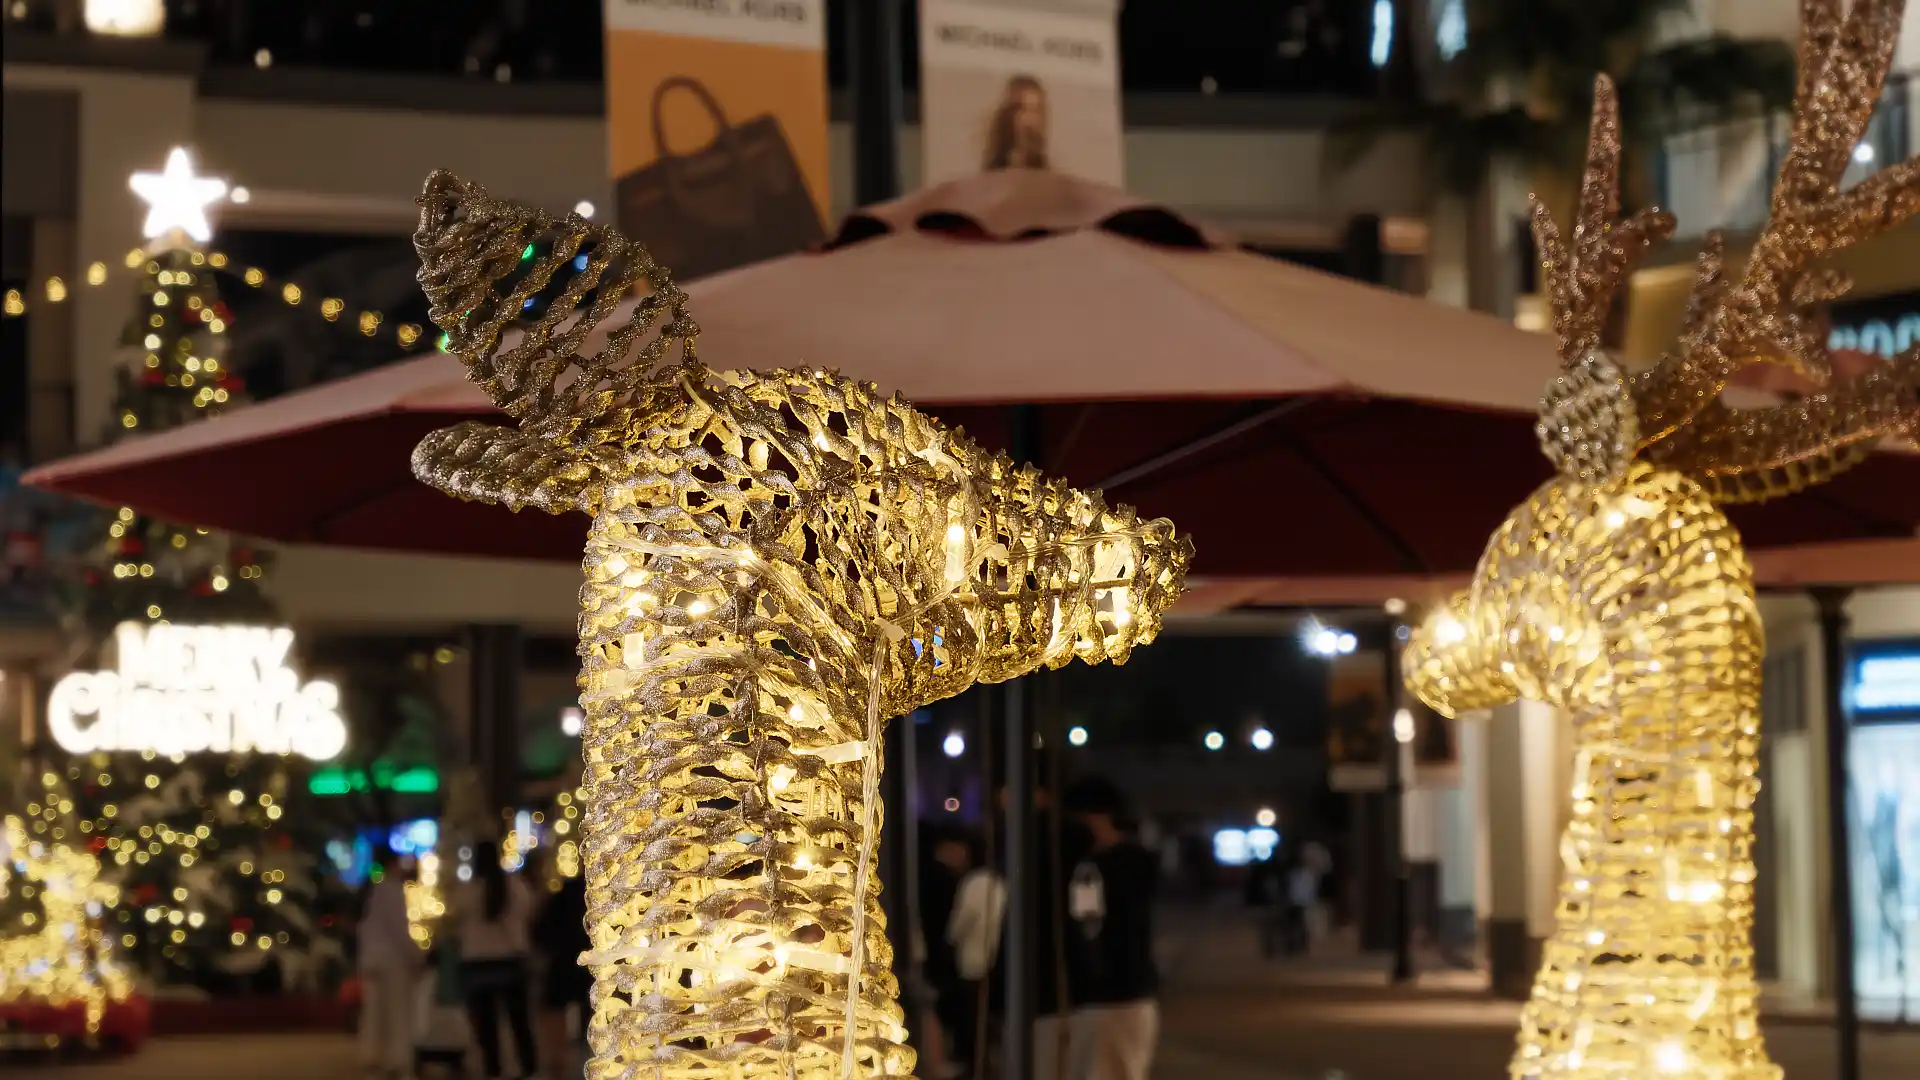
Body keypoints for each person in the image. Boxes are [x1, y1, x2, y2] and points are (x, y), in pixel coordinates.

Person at [1063, 776, 1159, 1080]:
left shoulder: (1092, 866)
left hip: (1109, 998)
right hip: (1136, 994)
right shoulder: (1138, 859)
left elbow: (1090, 927)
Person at [456, 840, 541, 1080]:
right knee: (519, 1020)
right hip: (510, 959)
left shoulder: (469, 890)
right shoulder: (514, 886)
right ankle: (528, 1067)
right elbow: (530, 910)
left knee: (486, 1024)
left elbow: (455, 917)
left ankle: (493, 1069)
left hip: (476, 961)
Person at [356, 847, 419, 1080]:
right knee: (398, 1012)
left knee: (373, 1011)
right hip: (393, 962)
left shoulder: (374, 891)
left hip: (372, 960)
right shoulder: (394, 891)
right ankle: (399, 1059)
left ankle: (371, 1057)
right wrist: (415, 956)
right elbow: (399, 930)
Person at [533, 870, 589, 1080]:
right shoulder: (598, 902)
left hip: (563, 966)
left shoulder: (560, 899)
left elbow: (541, 933)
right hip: (592, 970)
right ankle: (585, 1060)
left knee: (560, 1020)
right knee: (590, 1016)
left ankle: (562, 1065)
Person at [983, 74, 1050, 171]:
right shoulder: (991, 177)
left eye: (1035, 111)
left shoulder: (1051, 180)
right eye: (1022, 110)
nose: (1029, 120)